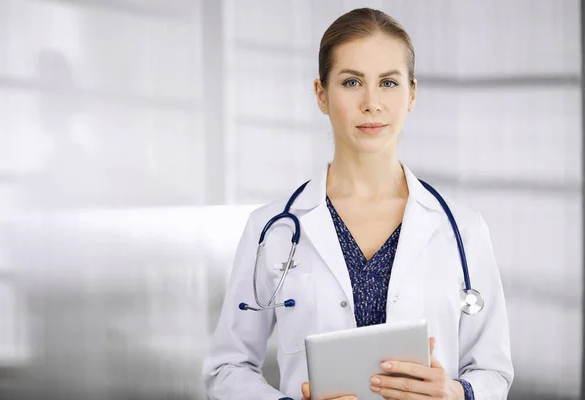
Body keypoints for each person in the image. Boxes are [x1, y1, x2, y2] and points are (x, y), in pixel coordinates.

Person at [202, 7, 513, 400]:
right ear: (321, 94)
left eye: (388, 82)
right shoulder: (273, 229)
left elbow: (493, 371)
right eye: (351, 82)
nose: (371, 103)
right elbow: (227, 368)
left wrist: (458, 394)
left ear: (412, 94)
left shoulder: (463, 230)